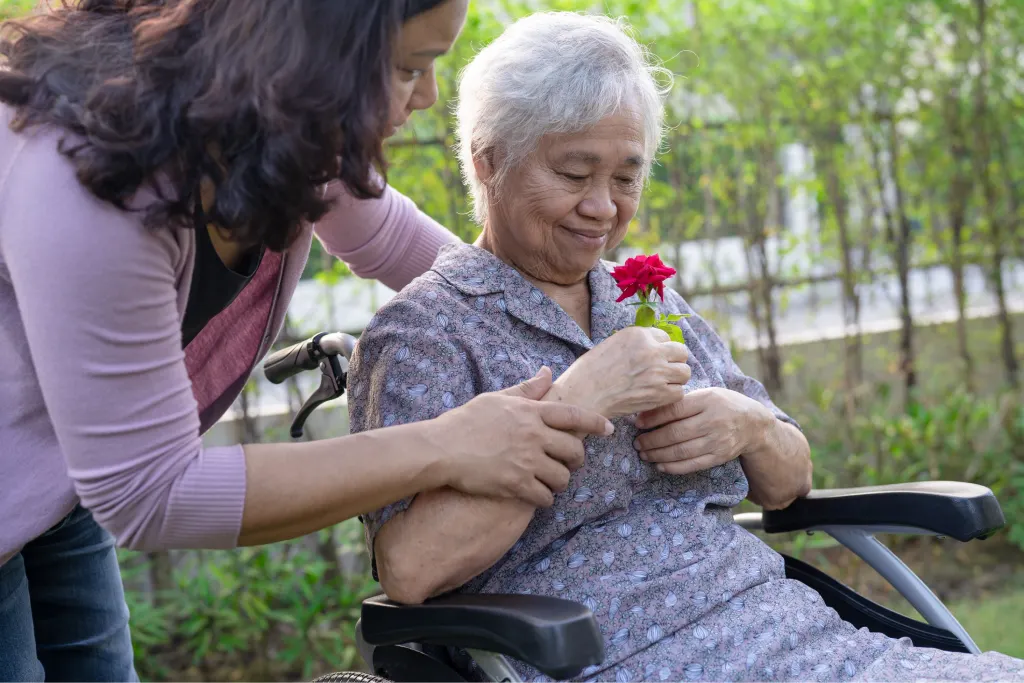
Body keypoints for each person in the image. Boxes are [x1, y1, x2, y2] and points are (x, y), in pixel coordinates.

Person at [350, 12, 1024, 682]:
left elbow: (790, 480)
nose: (604, 208)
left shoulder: (642, 296)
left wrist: (750, 424)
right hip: (623, 658)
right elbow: (412, 567)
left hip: (792, 633)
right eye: (576, 172)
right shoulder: (426, 332)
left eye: (625, 178)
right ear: (488, 160)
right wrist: (579, 399)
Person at [0, 1, 619, 680]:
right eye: (410, 67)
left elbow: (391, 238)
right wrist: (446, 445)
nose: (430, 96)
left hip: (60, 479)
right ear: (314, 59)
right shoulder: (88, 177)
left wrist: (583, 330)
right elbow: (153, 489)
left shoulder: (273, 123)